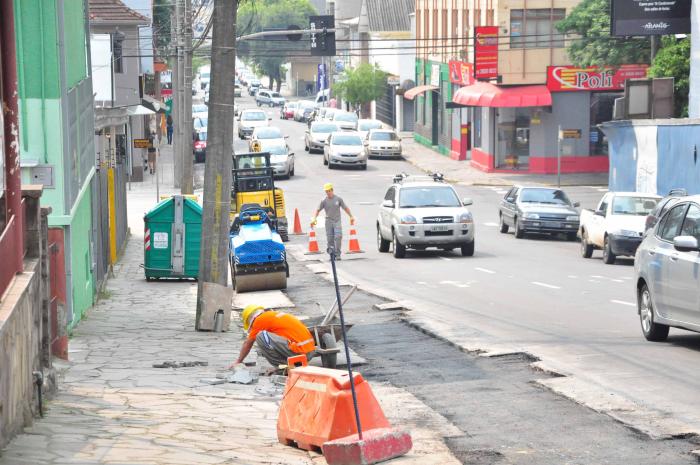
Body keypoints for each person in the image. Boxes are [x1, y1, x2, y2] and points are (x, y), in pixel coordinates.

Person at [228, 305, 316, 371]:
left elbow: (248, 343)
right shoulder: (272, 315)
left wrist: (239, 361)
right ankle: (292, 364)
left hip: (299, 352)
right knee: (267, 340)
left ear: (250, 319)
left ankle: (283, 368)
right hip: (310, 351)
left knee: (261, 337)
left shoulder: (259, 320)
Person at [311, 183, 354, 260]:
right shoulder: (324, 201)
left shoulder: (338, 199)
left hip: (337, 220)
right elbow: (318, 210)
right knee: (330, 239)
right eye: (326, 191)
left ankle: (338, 254)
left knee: (338, 236)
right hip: (328, 221)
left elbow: (345, 208)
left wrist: (351, 216)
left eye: (329, 191)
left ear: (332, 190)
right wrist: (314, 219)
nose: (328, 193)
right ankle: (332, 254)